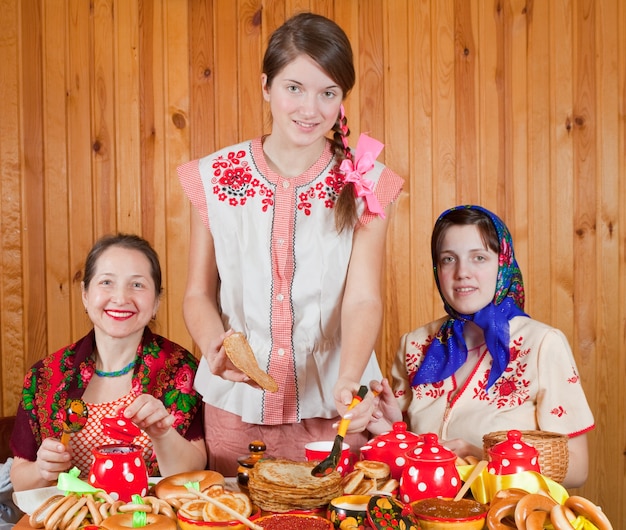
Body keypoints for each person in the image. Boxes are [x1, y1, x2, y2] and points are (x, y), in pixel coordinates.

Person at [177, 12, 404, 474]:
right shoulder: (216, 177)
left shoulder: (366, 182)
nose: (310, 108)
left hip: (333, 408)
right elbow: (198, 293)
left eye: (328, 93)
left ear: (342, 99)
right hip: (236, 407)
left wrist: (349, 381)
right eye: (294, 87)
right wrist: (214, 349)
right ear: (266, 87)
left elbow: (362, 298)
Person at [367, 205, 594, 489]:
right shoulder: (415, 344)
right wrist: (391, 430)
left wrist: (478, 455)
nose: (462, 272)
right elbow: (414, 462)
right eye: (449, 259)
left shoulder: (542, 345)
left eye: (479, 258)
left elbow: (577, 469)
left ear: (503, 264)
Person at [10, 234, 207, 491]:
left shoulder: (181, 369)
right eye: (106, 282)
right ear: (85, 294)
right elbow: (20, 480)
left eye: (137, 285)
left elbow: (193, 474)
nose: (121, 298)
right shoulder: (45, 375)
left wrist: (163, 435)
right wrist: (40, 469)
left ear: (157, 301)